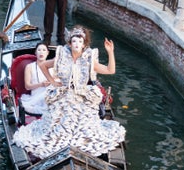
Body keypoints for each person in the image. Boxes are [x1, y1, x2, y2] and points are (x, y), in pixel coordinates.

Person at [13, 26, 125, 158]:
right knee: (58, 123)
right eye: (74, 41)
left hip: (82, 96)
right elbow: (43, 65)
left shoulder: (89, 60)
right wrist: (53, 81)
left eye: (79, 42)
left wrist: (110, 52)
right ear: (70, 44)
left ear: (84, 45)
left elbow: (110, 70)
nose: (77, 44)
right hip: (63, 95)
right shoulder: (62, 57)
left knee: (84, 123)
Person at [20, 43, 54, 116]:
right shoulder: (29, 67)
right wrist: (41, 84)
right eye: (39, 50)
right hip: (36, 95)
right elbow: (27, 86)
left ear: (47, 53)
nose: (41, 52)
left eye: (44, 50)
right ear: (35, 52)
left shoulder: (52, 66)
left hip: (50, 93)